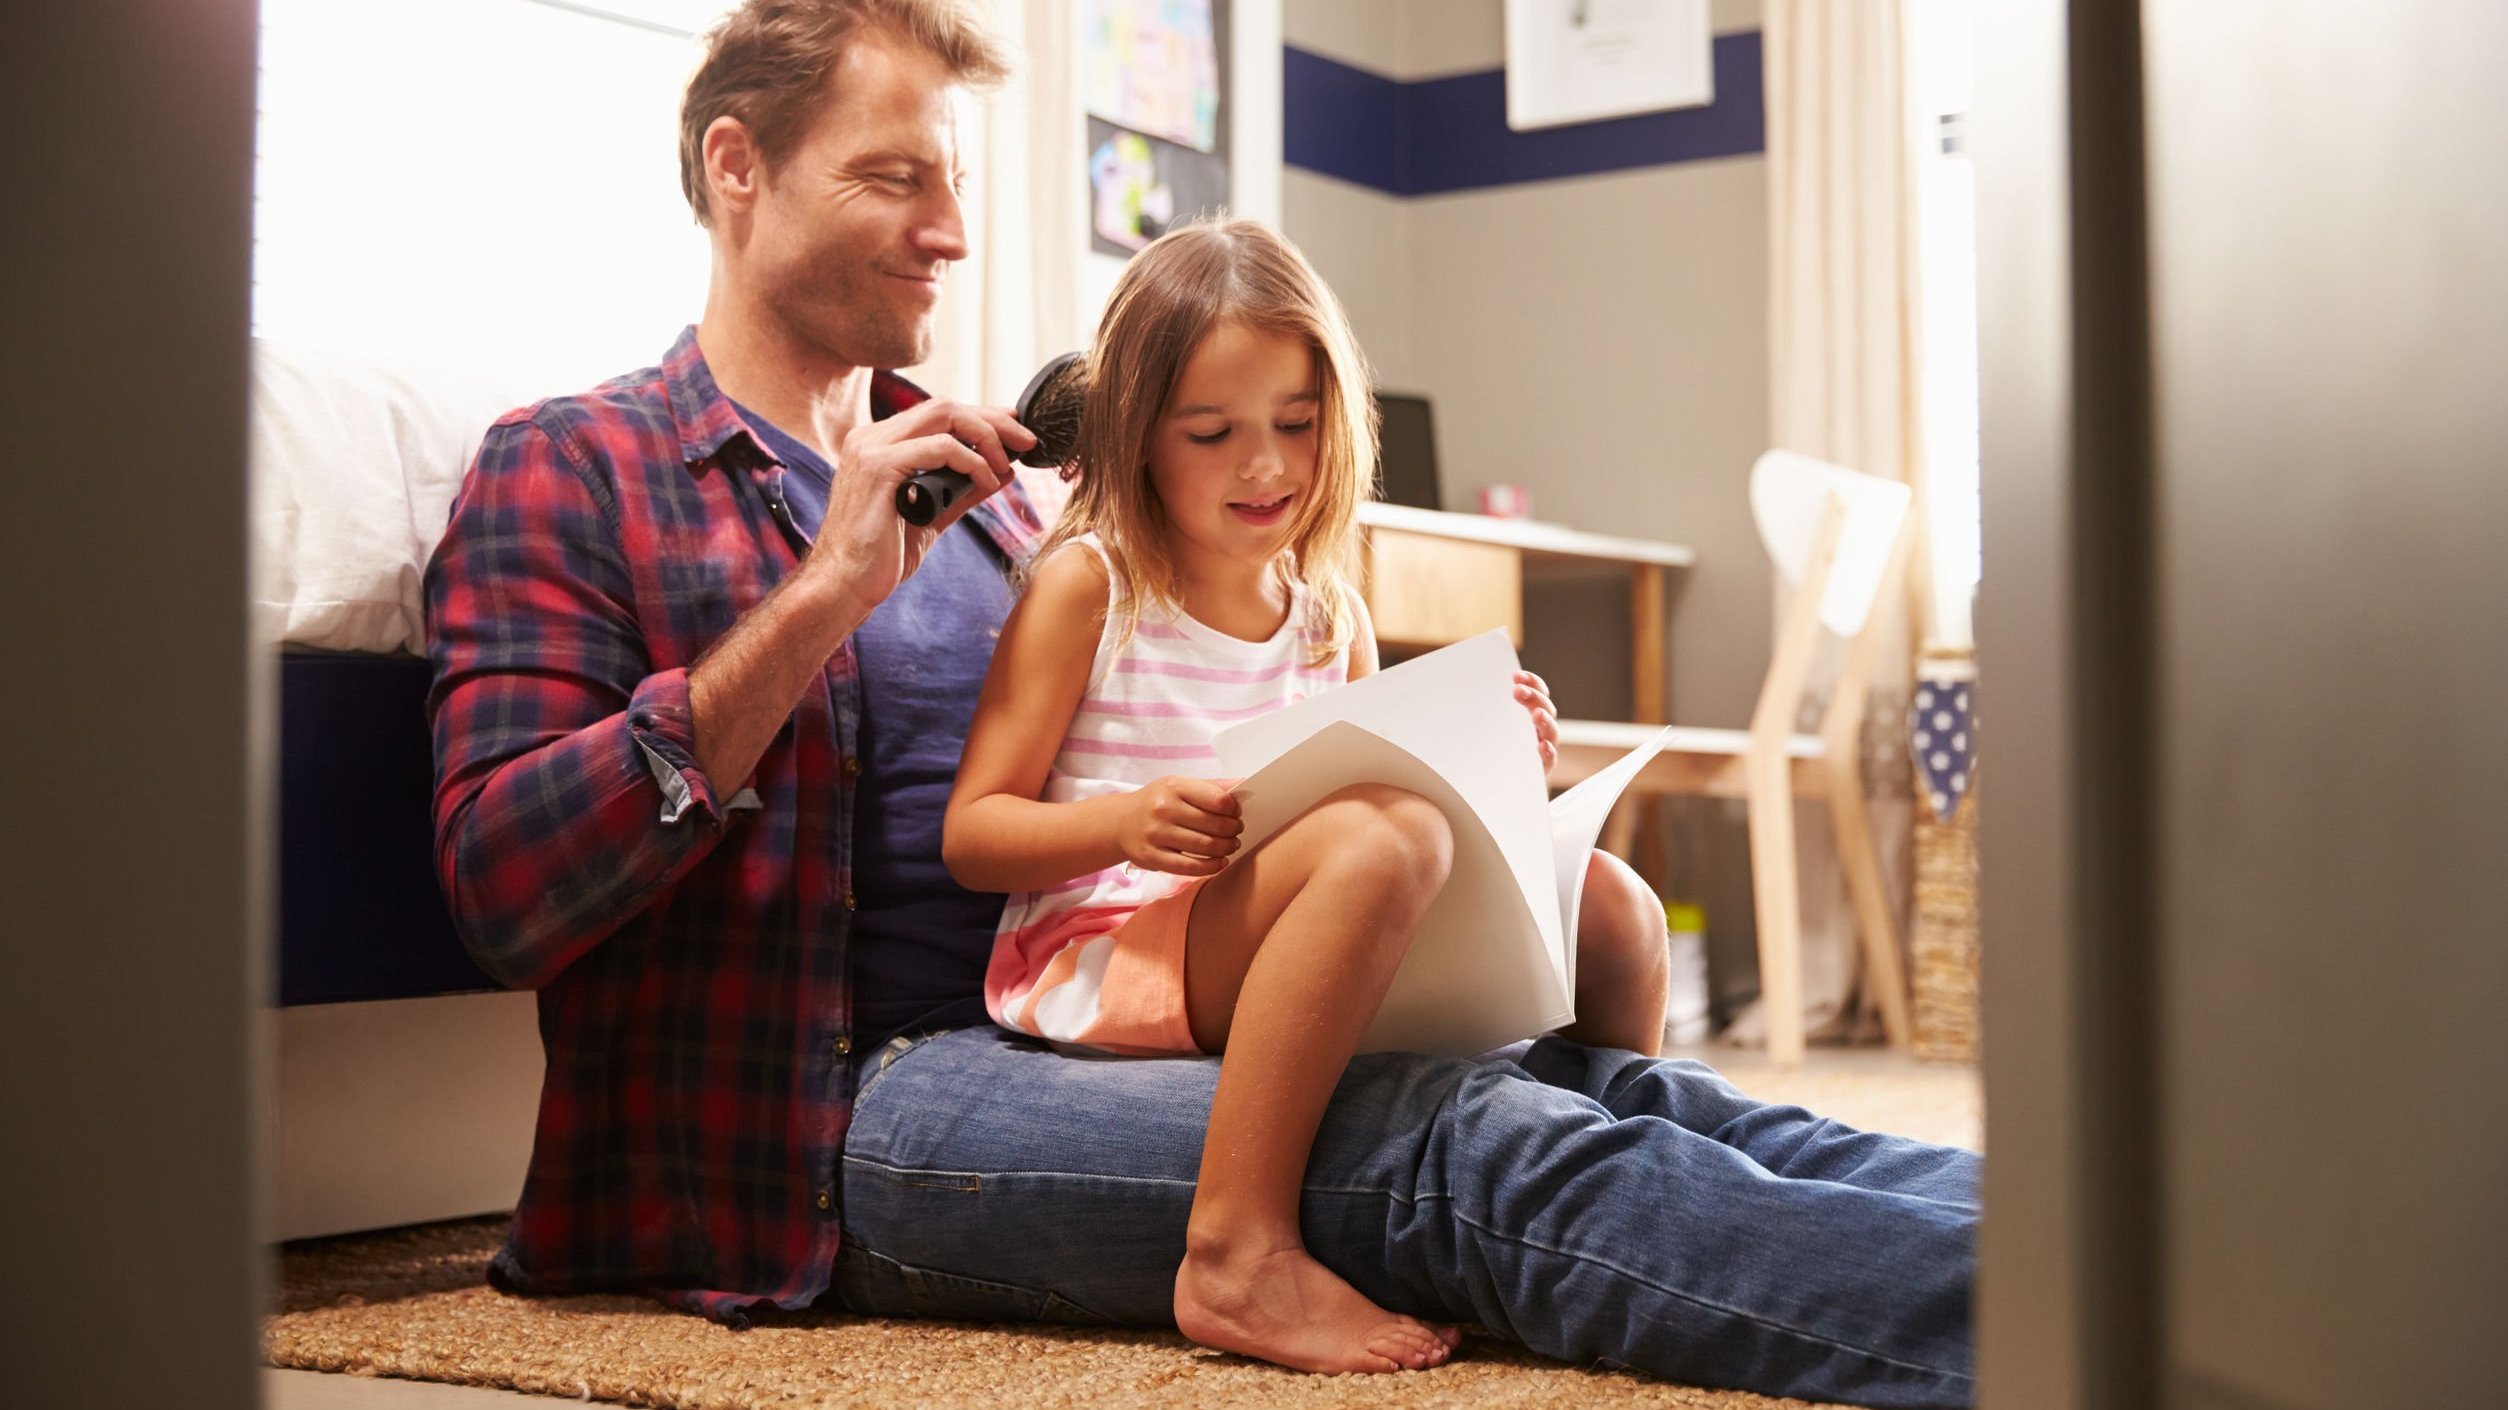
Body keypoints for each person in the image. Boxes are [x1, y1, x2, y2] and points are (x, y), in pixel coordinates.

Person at [422, 1, 1982, 1404]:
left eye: (956, 182)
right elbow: (504, 893)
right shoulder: (570, 464)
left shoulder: (997, 504)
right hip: (843, 1114)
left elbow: (1221, 709)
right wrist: (826, 586)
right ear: (738, 167)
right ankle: (2063, 1334)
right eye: (897, 177)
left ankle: (2114, 1240)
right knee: (1467, 1151)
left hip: (1113, 1012)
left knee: (1614, 1085)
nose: (953, 230)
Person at [941, 218, 1674, 1376]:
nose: (1266, 465)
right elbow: (975, 834)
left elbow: (1394, 796)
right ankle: (1234, 1250)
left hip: (1292, 927)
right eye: (1212, 432)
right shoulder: (1091, 586)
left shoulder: (1330, 612)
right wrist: (1120, 822)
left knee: (1617, 909)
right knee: (1382, 844)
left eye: (1296, 423)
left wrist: (1491, 751)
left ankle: (1613, 1179)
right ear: (1138, 435)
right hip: (1107, 952)